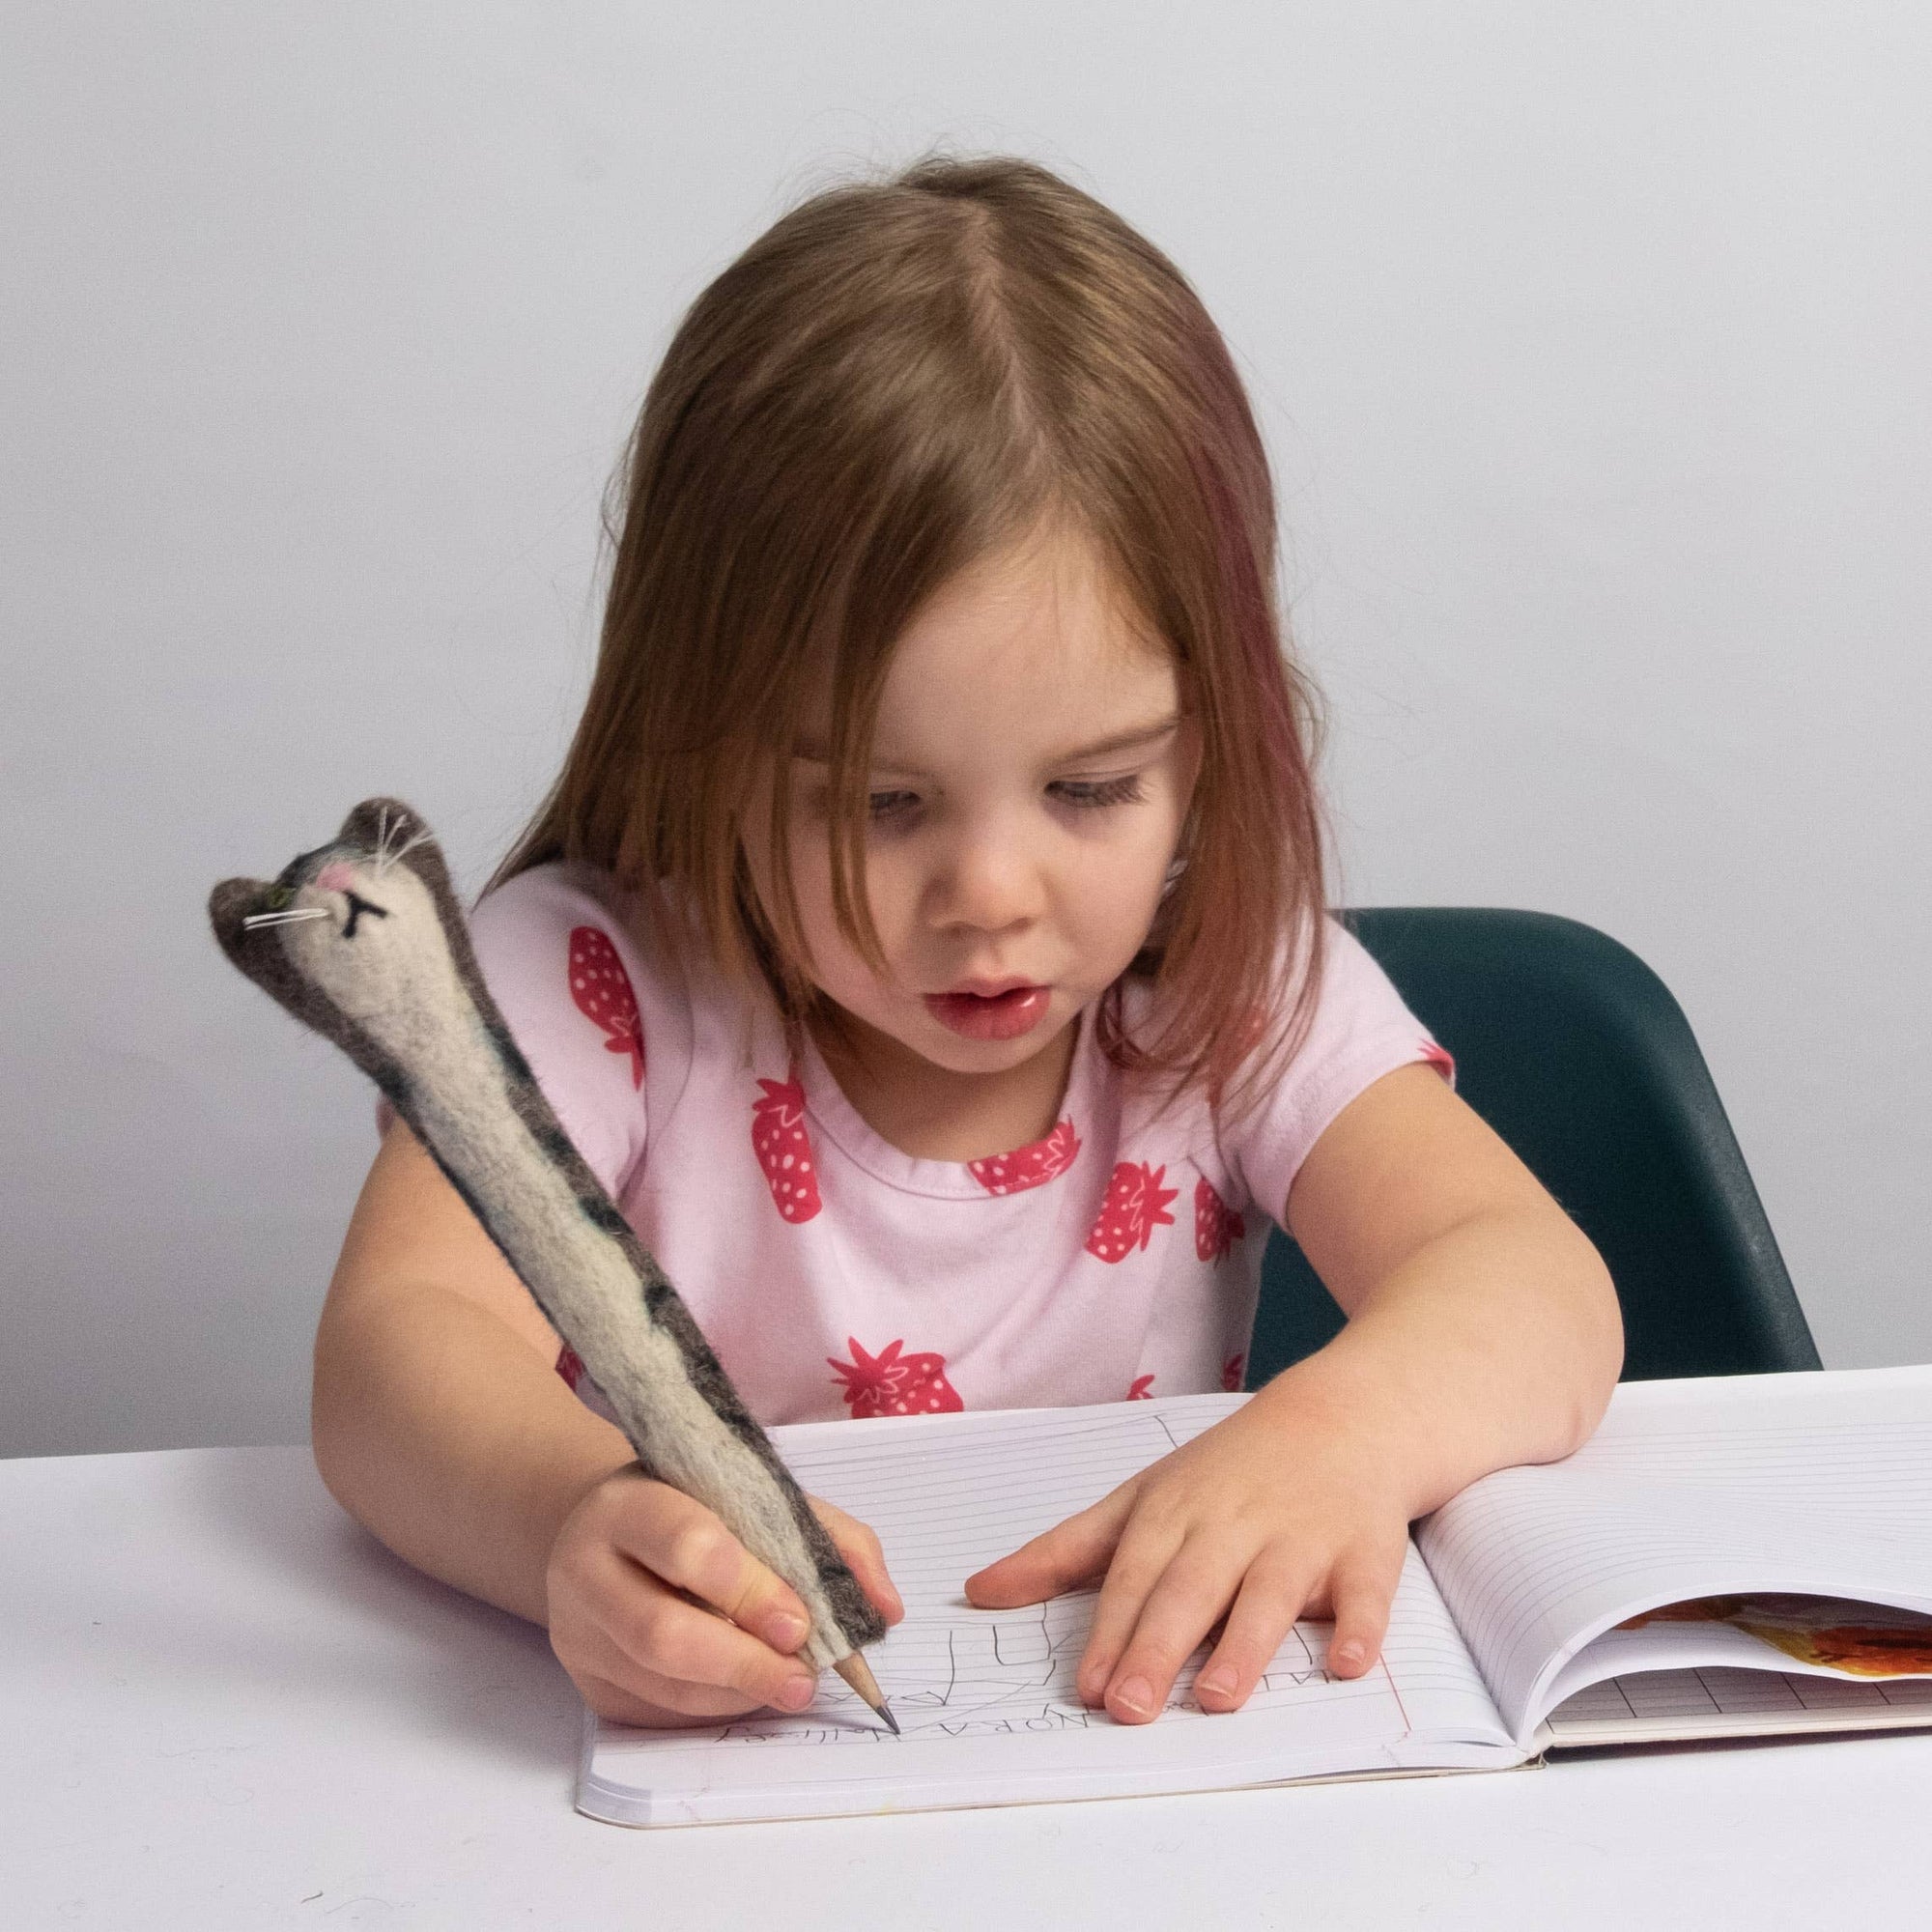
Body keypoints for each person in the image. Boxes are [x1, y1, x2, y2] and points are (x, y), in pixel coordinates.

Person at [314, 155, 1622, 1733]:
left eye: (1091, 787)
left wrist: (1338, 1429)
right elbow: (396, 1354)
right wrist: (577, 1523)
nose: (990, 896)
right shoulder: (589, 988)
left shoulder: (1230, 986)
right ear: (700, 745)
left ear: (1206, 746)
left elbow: (1534, 1283)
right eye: (878, 802)